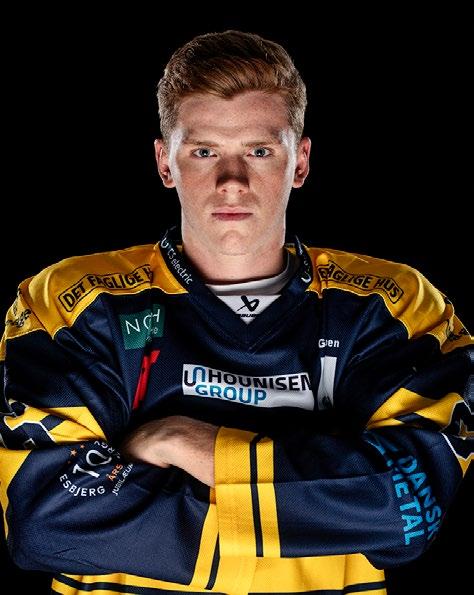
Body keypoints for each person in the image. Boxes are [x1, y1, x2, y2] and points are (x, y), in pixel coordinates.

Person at [0, 29, 472, 595]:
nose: (232, 182)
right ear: (165, 163)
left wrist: (176, 439)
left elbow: (407, 508)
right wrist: (323, 505)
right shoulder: (73, 301)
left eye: (259, 151)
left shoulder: (392, 305)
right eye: (204, 152)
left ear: (300, 162)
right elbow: (46, 522)